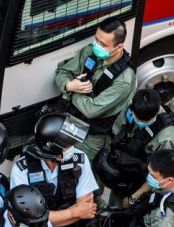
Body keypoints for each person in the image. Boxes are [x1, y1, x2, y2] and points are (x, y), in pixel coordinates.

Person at [92, 88, 174, 227]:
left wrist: (134, 197)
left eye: (143, 120)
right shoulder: (136, 107)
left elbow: (158, 177)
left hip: (141, 190)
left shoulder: (165, 137)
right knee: (114, 224)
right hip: (124, 181)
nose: (137, 121)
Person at [54, 16, 136, 206]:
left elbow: (92, 110)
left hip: (95, 137)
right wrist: (68, 84)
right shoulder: (90, 53)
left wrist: (72, 92)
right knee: (65, 168)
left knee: (89, 183)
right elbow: (62, 73)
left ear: (118, 48)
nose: (96, 45)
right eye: (96, 39)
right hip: (73, 122)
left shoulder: (124, 79)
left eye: (103, 43)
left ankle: (94, 214)